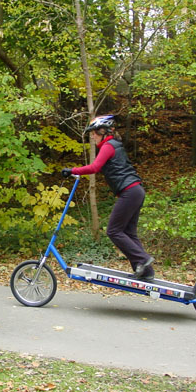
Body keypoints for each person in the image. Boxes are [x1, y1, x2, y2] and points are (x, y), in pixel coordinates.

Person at [62, 115, 155, 280]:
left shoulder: (108, 145)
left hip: (130, 191)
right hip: (136, 191)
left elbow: (95, 167)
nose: (92, 136)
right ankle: (146, 272)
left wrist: (73, 170)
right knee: (129, 233)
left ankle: (143, 259)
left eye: (94, 133)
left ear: (103, 131)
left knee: (113, 230)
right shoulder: (113, 145)